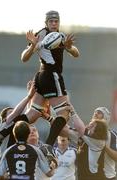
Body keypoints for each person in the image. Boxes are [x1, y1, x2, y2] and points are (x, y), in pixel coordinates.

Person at [21, 10, 85, 146]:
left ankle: (5, 131)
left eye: (56, 21)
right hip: (52, 76)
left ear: (59, 23)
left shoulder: (60, 36)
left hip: (41, 77)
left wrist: (68, 47)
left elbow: (76, 53)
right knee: (65, 113)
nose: (54, 23)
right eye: (51, 21)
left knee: (32, 115)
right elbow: (24, 58)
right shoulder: (40, 34)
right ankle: (49, 146)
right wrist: (32, 46)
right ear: (46, 23)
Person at [76, 107, 110, 180]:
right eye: (95, 112)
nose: (96, 113)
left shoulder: (107, 135)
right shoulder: (86, 131)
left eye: (100, 113)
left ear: (105, 119)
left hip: (96, 176)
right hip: (82, 174)